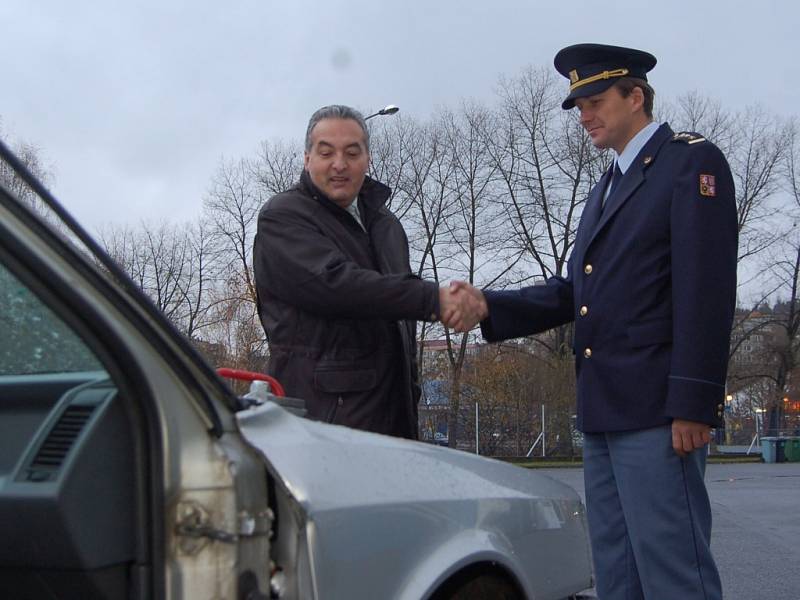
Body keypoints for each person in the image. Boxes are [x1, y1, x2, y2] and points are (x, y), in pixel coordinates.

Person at [444, 44, 737, 600]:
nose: (585, 116)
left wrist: (695, 403)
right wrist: (489, 305)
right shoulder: (607, 188)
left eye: (596, 101)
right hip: (605, 412)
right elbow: (578, 292)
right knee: (617, 572)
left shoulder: (689, 163)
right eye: (579, 106)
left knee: (674, 572)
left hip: (659, 413)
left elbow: (707, 289)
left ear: (636, 96)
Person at [253, 105, 454, 439]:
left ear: (368, 159)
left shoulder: (387, 226)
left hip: (395, 422)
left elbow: (401, 326)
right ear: (307, 159)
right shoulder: (282, 217)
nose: (339, 165)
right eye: (326, 152)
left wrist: (411, 391)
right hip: (322, 425)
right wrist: (434, 299)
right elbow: (338, 287)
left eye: (352, 152)